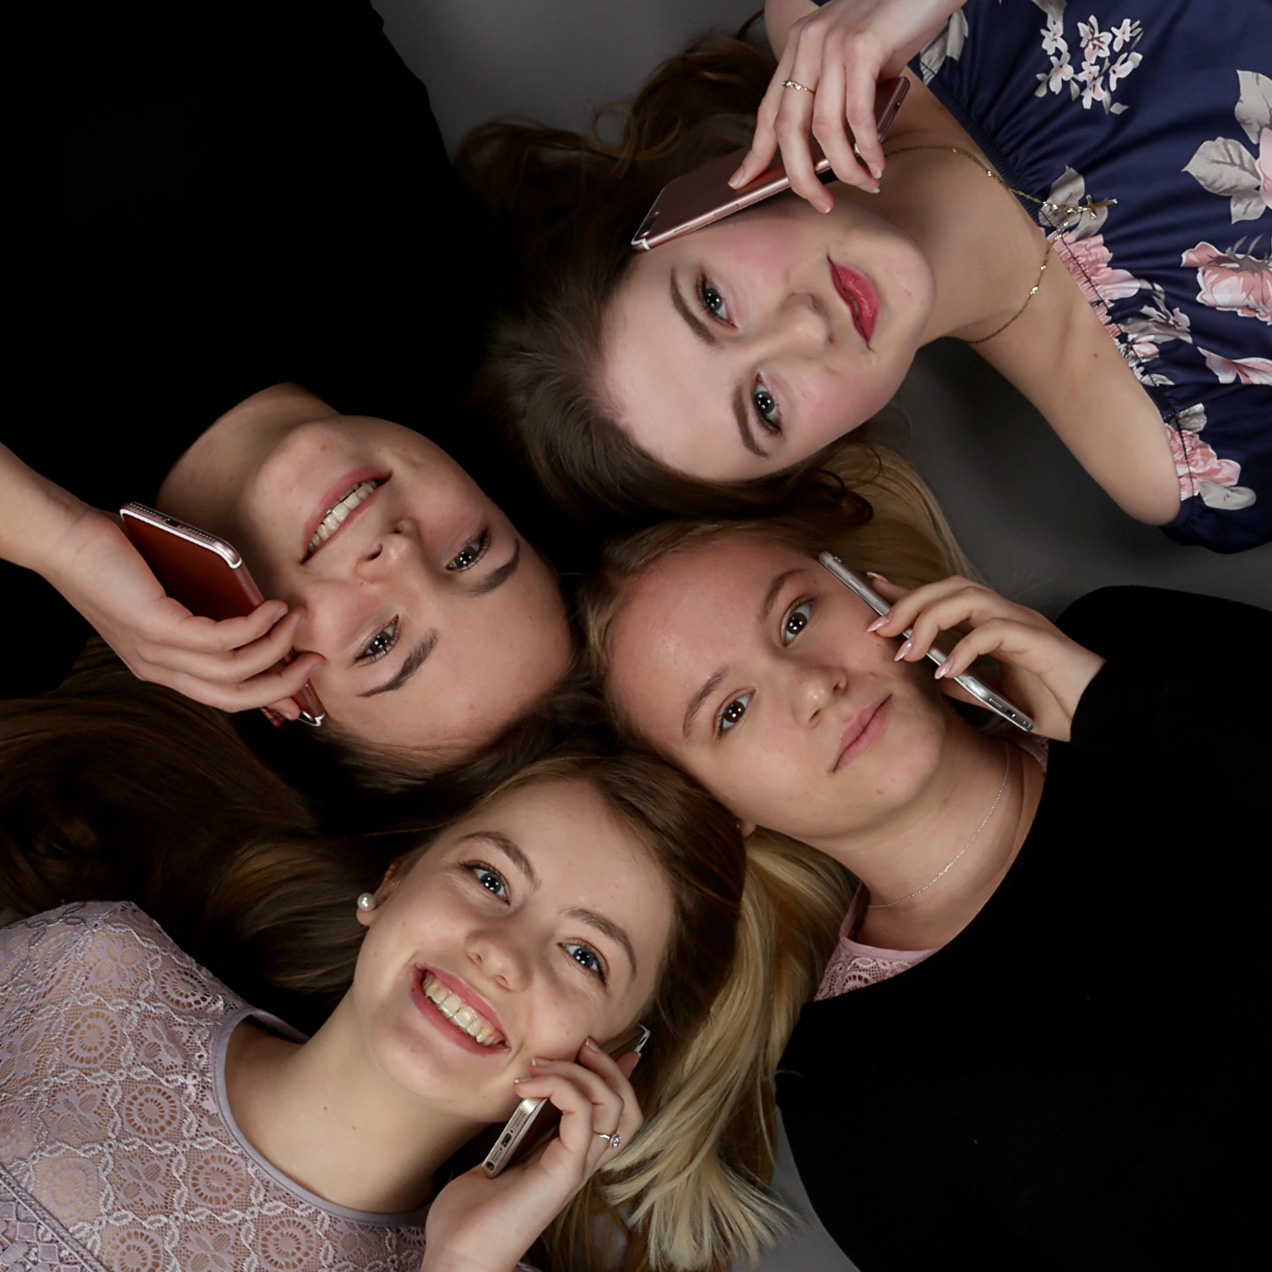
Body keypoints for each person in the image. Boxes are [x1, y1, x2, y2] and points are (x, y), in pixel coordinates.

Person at [577, 514, 1271, 1269]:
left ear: (872, 591)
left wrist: (1122, 706)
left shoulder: (1125, 651)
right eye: (732, 712)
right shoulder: (851, 1099)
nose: (813, 686)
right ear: (717, 810)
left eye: (797, 618)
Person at [5, 1, 576, 788]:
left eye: (380, 643)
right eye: (471, 552)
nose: (399, 553)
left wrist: (57, 541)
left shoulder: (21, 616)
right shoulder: (414, 271)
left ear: (279, 695)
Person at [0, 745, 844, 1271]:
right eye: (489, 878)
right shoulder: (93, 971)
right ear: (396, 881)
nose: (501, 952)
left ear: (614, 1059)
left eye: (585, 956)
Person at [470, 0, 1271, 549]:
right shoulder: (1187, 450)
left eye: (714, 302)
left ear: (687, 207)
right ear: (812, 456)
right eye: (764, 406)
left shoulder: (825, 8)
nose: (804, 329)